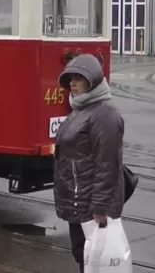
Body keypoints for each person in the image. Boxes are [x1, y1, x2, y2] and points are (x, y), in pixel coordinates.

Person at [53, 53, 125, 273]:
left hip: (90, 205)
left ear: (92, 82)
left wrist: (100, 207)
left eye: (78, 79)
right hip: (78, 200)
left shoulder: (103, 116)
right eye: (70, 80)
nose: (72, 85)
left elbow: (107, 165)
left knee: (95, 259)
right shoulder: (80, 111)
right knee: (83, 256)